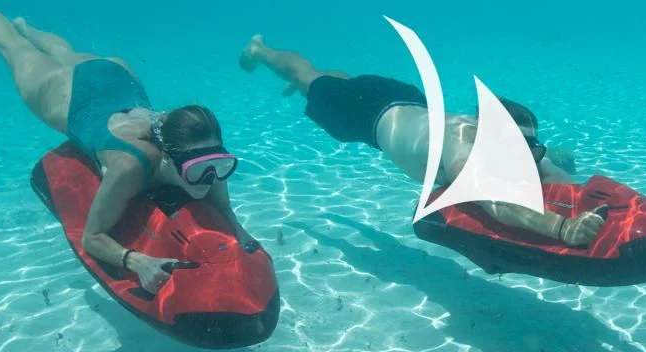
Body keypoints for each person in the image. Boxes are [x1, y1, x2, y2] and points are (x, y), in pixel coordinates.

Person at [0, 0, 256, 291]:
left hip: (117, 76)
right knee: (14, 49)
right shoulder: (130, 165)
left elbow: (224, 205)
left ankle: (26, 25)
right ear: (167, 156)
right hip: (69, 95)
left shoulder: (203, 154)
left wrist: (240, 232)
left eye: (219, 165)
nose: (209, 178)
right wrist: (138, 261)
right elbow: (92, 237)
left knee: (65, 51)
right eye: (197, 171)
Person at [238, 34, 606, 247]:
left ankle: (329, 83)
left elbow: (552, 170)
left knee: (331, 82)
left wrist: (580, 194)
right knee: (307, 75)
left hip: (405, 99)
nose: (523, 155)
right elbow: (495, 204)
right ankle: (260, 50)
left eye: (528, 147)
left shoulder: (501, 137)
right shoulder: (462, 151)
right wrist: (562, 227)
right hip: (363, 114)